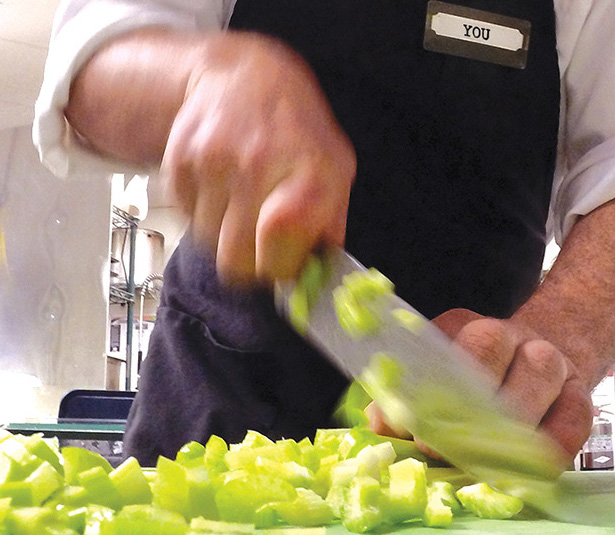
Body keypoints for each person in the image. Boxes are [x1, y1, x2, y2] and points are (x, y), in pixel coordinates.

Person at [34, 0, 615, 468]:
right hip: (216, 414)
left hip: (464, 438)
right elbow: (96, 54)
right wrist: (202, 78)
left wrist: (559, 334)